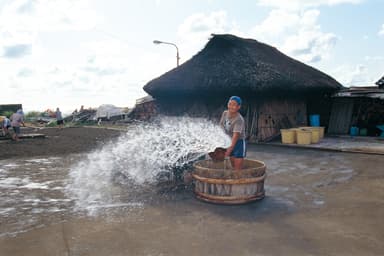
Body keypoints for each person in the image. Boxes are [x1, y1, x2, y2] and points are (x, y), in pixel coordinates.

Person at [219, 96, 246, 170]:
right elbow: (221, 126)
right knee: (233, 165)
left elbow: (235, 138)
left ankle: (239, 178)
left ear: (238, 107)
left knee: (237, 169)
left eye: (234, 105)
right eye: (230, 104)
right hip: (228, 140)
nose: (231, 106)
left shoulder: (239, 119)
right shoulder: (225, 113)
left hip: (238, 142)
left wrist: (227, 152)